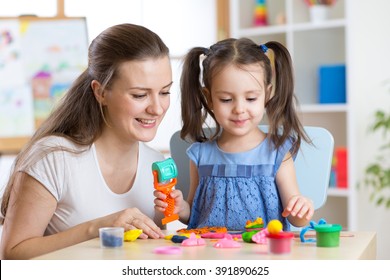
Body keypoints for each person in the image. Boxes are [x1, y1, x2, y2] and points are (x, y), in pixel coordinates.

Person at [0, 23, 172, 259]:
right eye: (139, 95)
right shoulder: (53, 159)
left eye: (165, 92)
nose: (157, 108)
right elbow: (11, 255)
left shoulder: (155, 162)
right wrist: (97, 228)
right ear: (100, 92)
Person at [154, 38, 314, 231]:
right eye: (226, 99)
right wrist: (180, 208)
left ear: (267, 94)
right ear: (209, 98)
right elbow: (194, 215)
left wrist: (301, 209)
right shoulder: (200, 155)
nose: (239, 109)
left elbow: (296, 219)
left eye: (251, 98)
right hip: (209, 254)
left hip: (261, 255)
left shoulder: (277, 152)